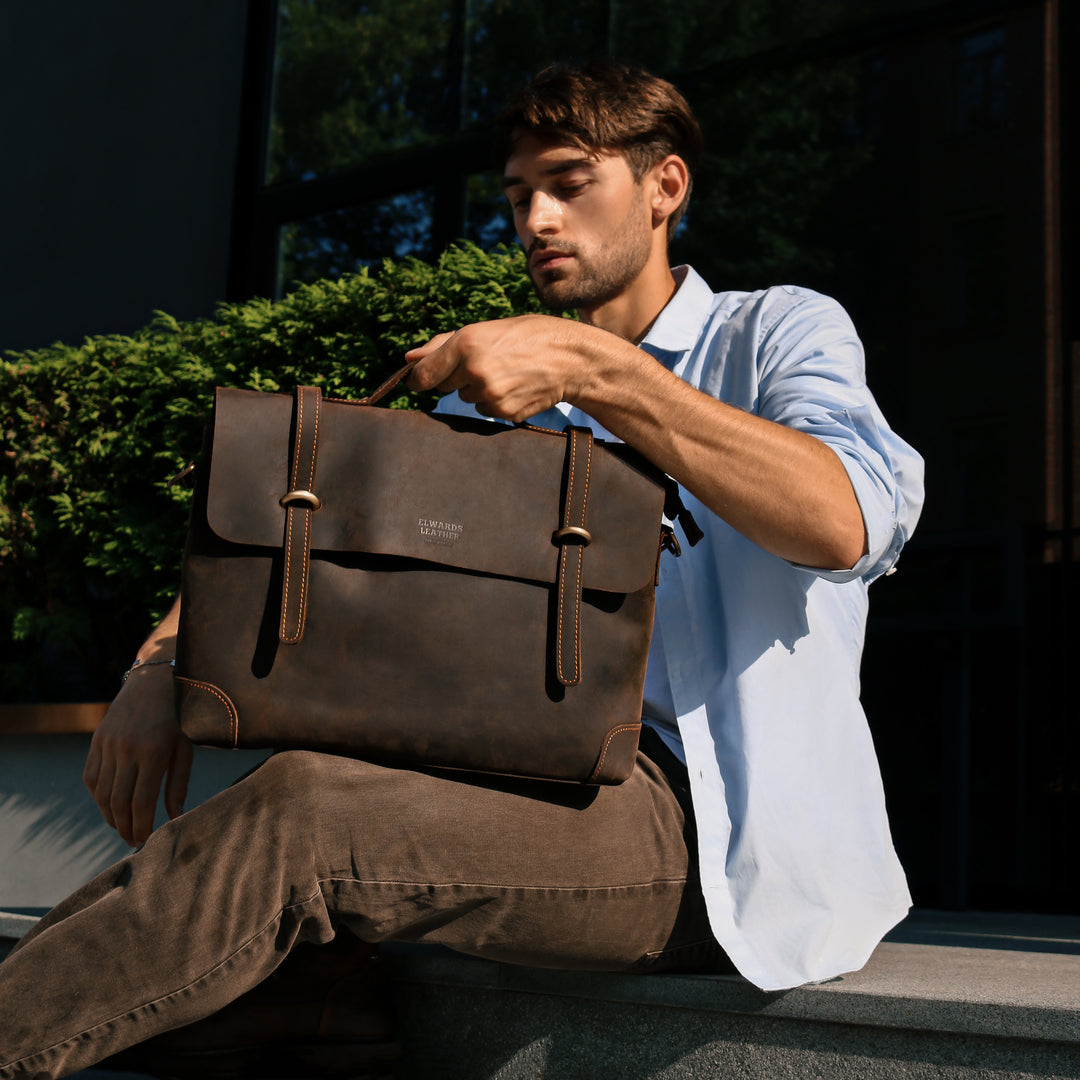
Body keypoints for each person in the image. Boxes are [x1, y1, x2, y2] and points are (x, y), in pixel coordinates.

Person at [0, 61, 923, 1079]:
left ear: (665, 188)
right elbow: (317, 536)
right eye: (519, 195)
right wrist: (158, 663)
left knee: (305, 816)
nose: (535, 218)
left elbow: (847, 522)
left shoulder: (775, 332)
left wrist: (597, 372)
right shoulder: (490, 400)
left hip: (709, 827)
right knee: (291, 802)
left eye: (570, 183)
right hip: (504, 788)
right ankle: (319, 1004)